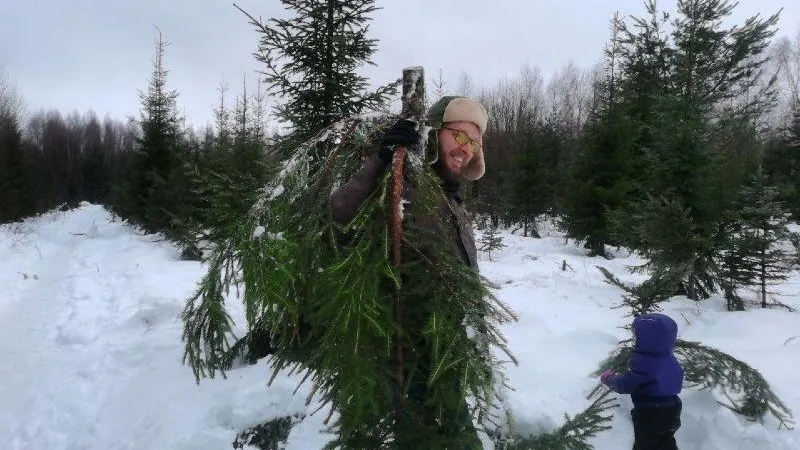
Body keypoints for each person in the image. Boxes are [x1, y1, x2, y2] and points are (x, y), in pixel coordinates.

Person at [329, 95, 489, 448]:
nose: (467, 148)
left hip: (447, 351)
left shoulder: (453, 200)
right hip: (408, 360)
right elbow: (340, 212)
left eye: (474, 141)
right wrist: (383, 159)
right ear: (435, 134)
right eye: (459, 136)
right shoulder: (400, 184)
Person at [601, 313, 684, 450]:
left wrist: (609, 379)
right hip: (673, 408)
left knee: (645, 445)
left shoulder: (644, 362)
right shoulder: (669, 358)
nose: (634, 338)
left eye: (636, 335)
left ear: (647, 338)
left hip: (651, 413)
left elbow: (626, 385)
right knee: (665, 441)